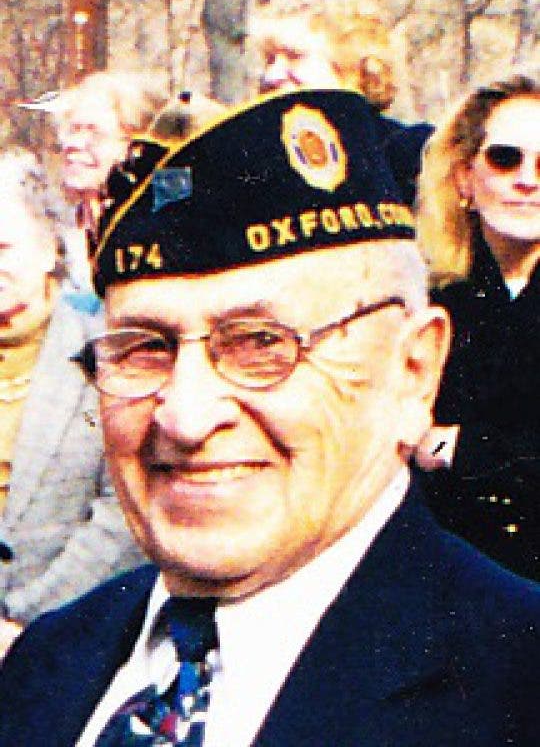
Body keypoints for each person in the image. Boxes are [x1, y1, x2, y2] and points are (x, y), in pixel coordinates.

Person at [0, 91, 538, 746]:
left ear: (412, 371)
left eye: (261, 343)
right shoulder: (49, 660)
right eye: (144, 348)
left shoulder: (513, 688)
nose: (186, 416)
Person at [0, 148, 143, 658]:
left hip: (59, 639)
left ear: (48, 249)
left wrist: (24, 623)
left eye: (3, 248)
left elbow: (122, 515)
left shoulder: (104, 353)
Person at [415, 69, 540, 581]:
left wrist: (460, 449)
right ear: (465, 178)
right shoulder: (428, 304)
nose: (527, 180)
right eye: (505, 158)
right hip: (448, 570)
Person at [248, 0, 431, 207]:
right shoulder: (254, 159)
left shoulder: (411, 154)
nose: (271, 75)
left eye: (294, 56)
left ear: (352, 65)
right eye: (269, 60)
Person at [21, 70, 169, 304]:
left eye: (94, 133)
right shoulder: (53, 229)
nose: (73, 144)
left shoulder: (156, 232)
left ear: (135, 146)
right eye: (72, 130)